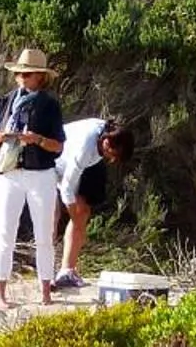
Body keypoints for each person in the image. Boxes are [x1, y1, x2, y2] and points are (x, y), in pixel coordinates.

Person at [0, 47, 65, 309]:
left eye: (27, 73)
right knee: (5, 234)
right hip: (10, 171)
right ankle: (1, 292)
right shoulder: (6, 101)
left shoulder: (50, 105)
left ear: (39, 77)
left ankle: (45, 290)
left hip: (40, 173)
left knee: (43, 235)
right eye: (19, 72)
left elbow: (58, 146)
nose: (21, 77)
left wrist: (37, 140)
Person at [50, 118, 136, 289]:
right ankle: (46, 273)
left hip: (90, 162)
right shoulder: (84, 146)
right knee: (52, 215)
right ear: (106, 142)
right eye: (112, 155)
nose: (112, 160)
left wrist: (78, 219)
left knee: (83, 210)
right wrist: (76, 222)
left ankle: (67, 271)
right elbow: (67, 187)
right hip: (55, 162)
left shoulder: (106, 138)